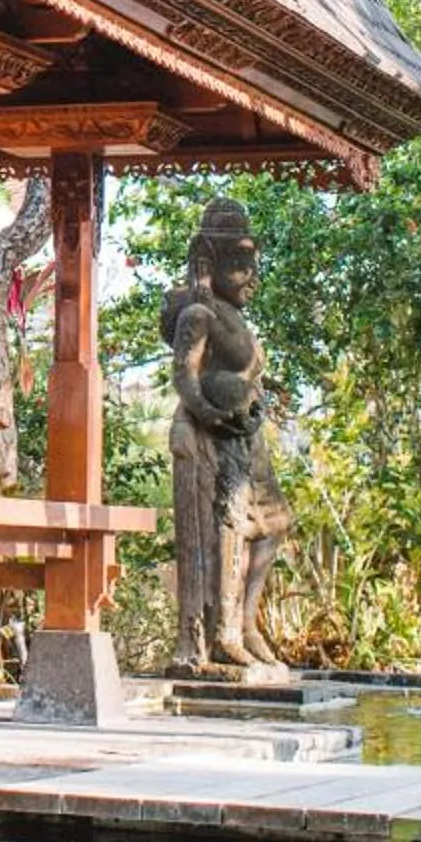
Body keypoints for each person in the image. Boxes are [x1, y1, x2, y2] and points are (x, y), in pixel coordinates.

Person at [164, 198, 291, 668]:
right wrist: (210, 414)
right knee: (225, 533)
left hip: (245, 437)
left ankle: (247, 623)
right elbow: (185, 376)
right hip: (209, 436)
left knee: (273, 526)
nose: (249, 277)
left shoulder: (233, 316)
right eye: (237, 266)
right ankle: (220, 635)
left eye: (251, 265)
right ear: (207, 264)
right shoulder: (199, 315)